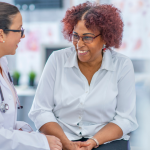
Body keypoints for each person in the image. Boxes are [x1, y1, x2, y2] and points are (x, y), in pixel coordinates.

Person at [29, 2, 138, 150]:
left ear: (106, 37)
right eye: (75, 36)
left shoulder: (122, 65)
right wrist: (66, 143)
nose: (79, 44)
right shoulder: (57, 60)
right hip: (62, 137)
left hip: (105, 140)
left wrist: (93, 141)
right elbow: (41, 111)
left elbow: (125, 118)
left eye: (87, 37)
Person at [0, 2, 62, 150]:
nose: (24, 35)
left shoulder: (3, 62)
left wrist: (27, 132)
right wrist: (40, 142)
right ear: (1, 34)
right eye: (19, 30)